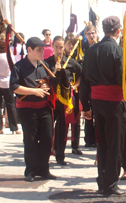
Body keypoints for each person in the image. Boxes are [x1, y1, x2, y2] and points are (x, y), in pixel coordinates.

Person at [80, 16, 126, 196]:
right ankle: (110, 185)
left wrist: (85, 106)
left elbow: (84, 81)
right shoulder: (118, 51)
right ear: (118, 31)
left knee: (102, 143)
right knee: (115, 144)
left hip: (97, 102)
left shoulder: (91, 51)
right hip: (114, 102)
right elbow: (122, 79)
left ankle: (102, 181)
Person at [10, 37, 57, 182]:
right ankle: (30, 171)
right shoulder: (19, 66)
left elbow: (48, 83)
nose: (42, 52)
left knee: (47, 139)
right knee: (30, 140)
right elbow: (14, 87)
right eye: (39, 50)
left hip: (44, 108)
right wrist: (34, 91)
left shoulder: (43, 65)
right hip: (27, 109)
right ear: (29, 50)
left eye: (43, 49)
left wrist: (47, 87)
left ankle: (44, 169)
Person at [44, 36, 83, 165]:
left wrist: (75, 85)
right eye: (56, 47)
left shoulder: (70, 62)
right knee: (48, 127)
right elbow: (43, 78)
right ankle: (45, 154)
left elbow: (83, 74)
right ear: (52, 47)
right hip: (50, 99)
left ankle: (60, 155)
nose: (59, 50)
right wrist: (55, 69)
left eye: (61, 47)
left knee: (62, 128)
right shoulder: (47, 62)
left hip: (64, 100)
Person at [0, 35, 19, 135]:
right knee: (11, 105)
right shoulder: (8, 56)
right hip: (7, 83)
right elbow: (14, 66)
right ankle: (14, 128)